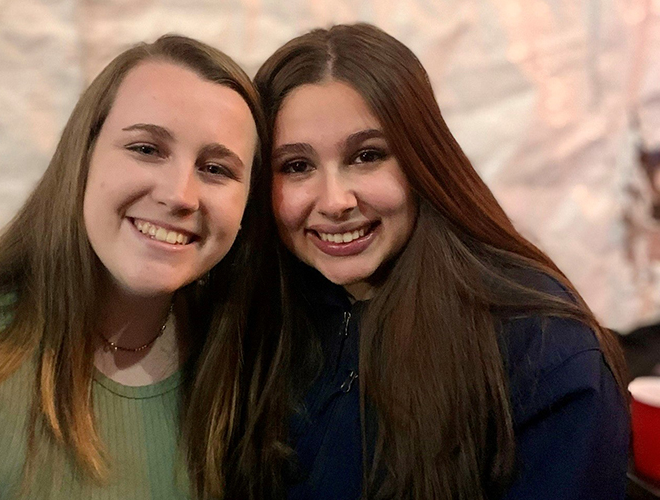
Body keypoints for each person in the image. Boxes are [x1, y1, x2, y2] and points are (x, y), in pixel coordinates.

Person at [0, 35, 267, 499]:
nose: (178, 195)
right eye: (146, 149)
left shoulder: (236, 370)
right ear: (83, 157)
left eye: (216, 169)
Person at [246, 23, 631, 500]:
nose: (335, 200)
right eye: (296, 166)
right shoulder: (259, 319)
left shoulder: (543, 346)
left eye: (367, 156)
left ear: (423, 159)